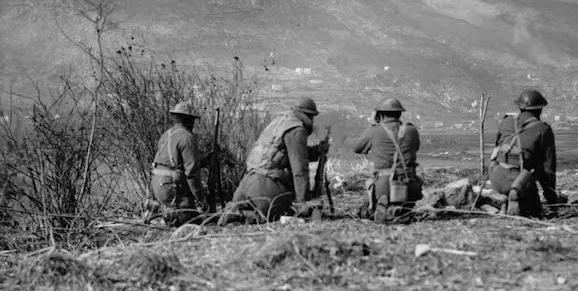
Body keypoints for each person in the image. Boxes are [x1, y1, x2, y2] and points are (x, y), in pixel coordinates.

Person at [218, 96, 328, 225]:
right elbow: (299, 169)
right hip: (266, 184)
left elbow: (281, 153)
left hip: (247, 182)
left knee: (247, 207)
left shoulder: (280, 122)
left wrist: (316, 151)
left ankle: (233, 211)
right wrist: (302, 202)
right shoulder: (297, 129)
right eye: (312, 117)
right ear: (306, 115)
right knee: (277, 215)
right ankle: (238, 215)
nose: (312, 121)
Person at [488, 89, 558, 218]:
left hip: (496, 178)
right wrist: (552, 202)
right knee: (535, 214)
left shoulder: (505, 121)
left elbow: (496, 149)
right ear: (540, 109)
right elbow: (548, 170)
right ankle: (515, 199)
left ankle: (505, 200)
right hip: (519, 183)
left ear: (520, 107)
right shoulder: (543, 130)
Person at [353, 97, 423, 223]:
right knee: (408, 200)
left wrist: (373, 124)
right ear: (400, 113)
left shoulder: (375, 130)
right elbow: (416, 147)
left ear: (380, 114)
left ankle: (381, 209)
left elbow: (358, 148)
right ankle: (401, 210)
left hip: (384, 187)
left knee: (364, 208)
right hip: (409, 185)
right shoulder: (411, 130)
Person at [146, 101, 210, 227]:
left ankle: (160, 209)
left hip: (158, 184)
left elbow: (173, 161)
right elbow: (191, 173)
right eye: (193, 121)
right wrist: (201, 199)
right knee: (194, 222)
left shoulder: (166, 135)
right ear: (189, 120)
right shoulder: (187, 137)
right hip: (170, 186)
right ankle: (166, 213)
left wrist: (203, 159)